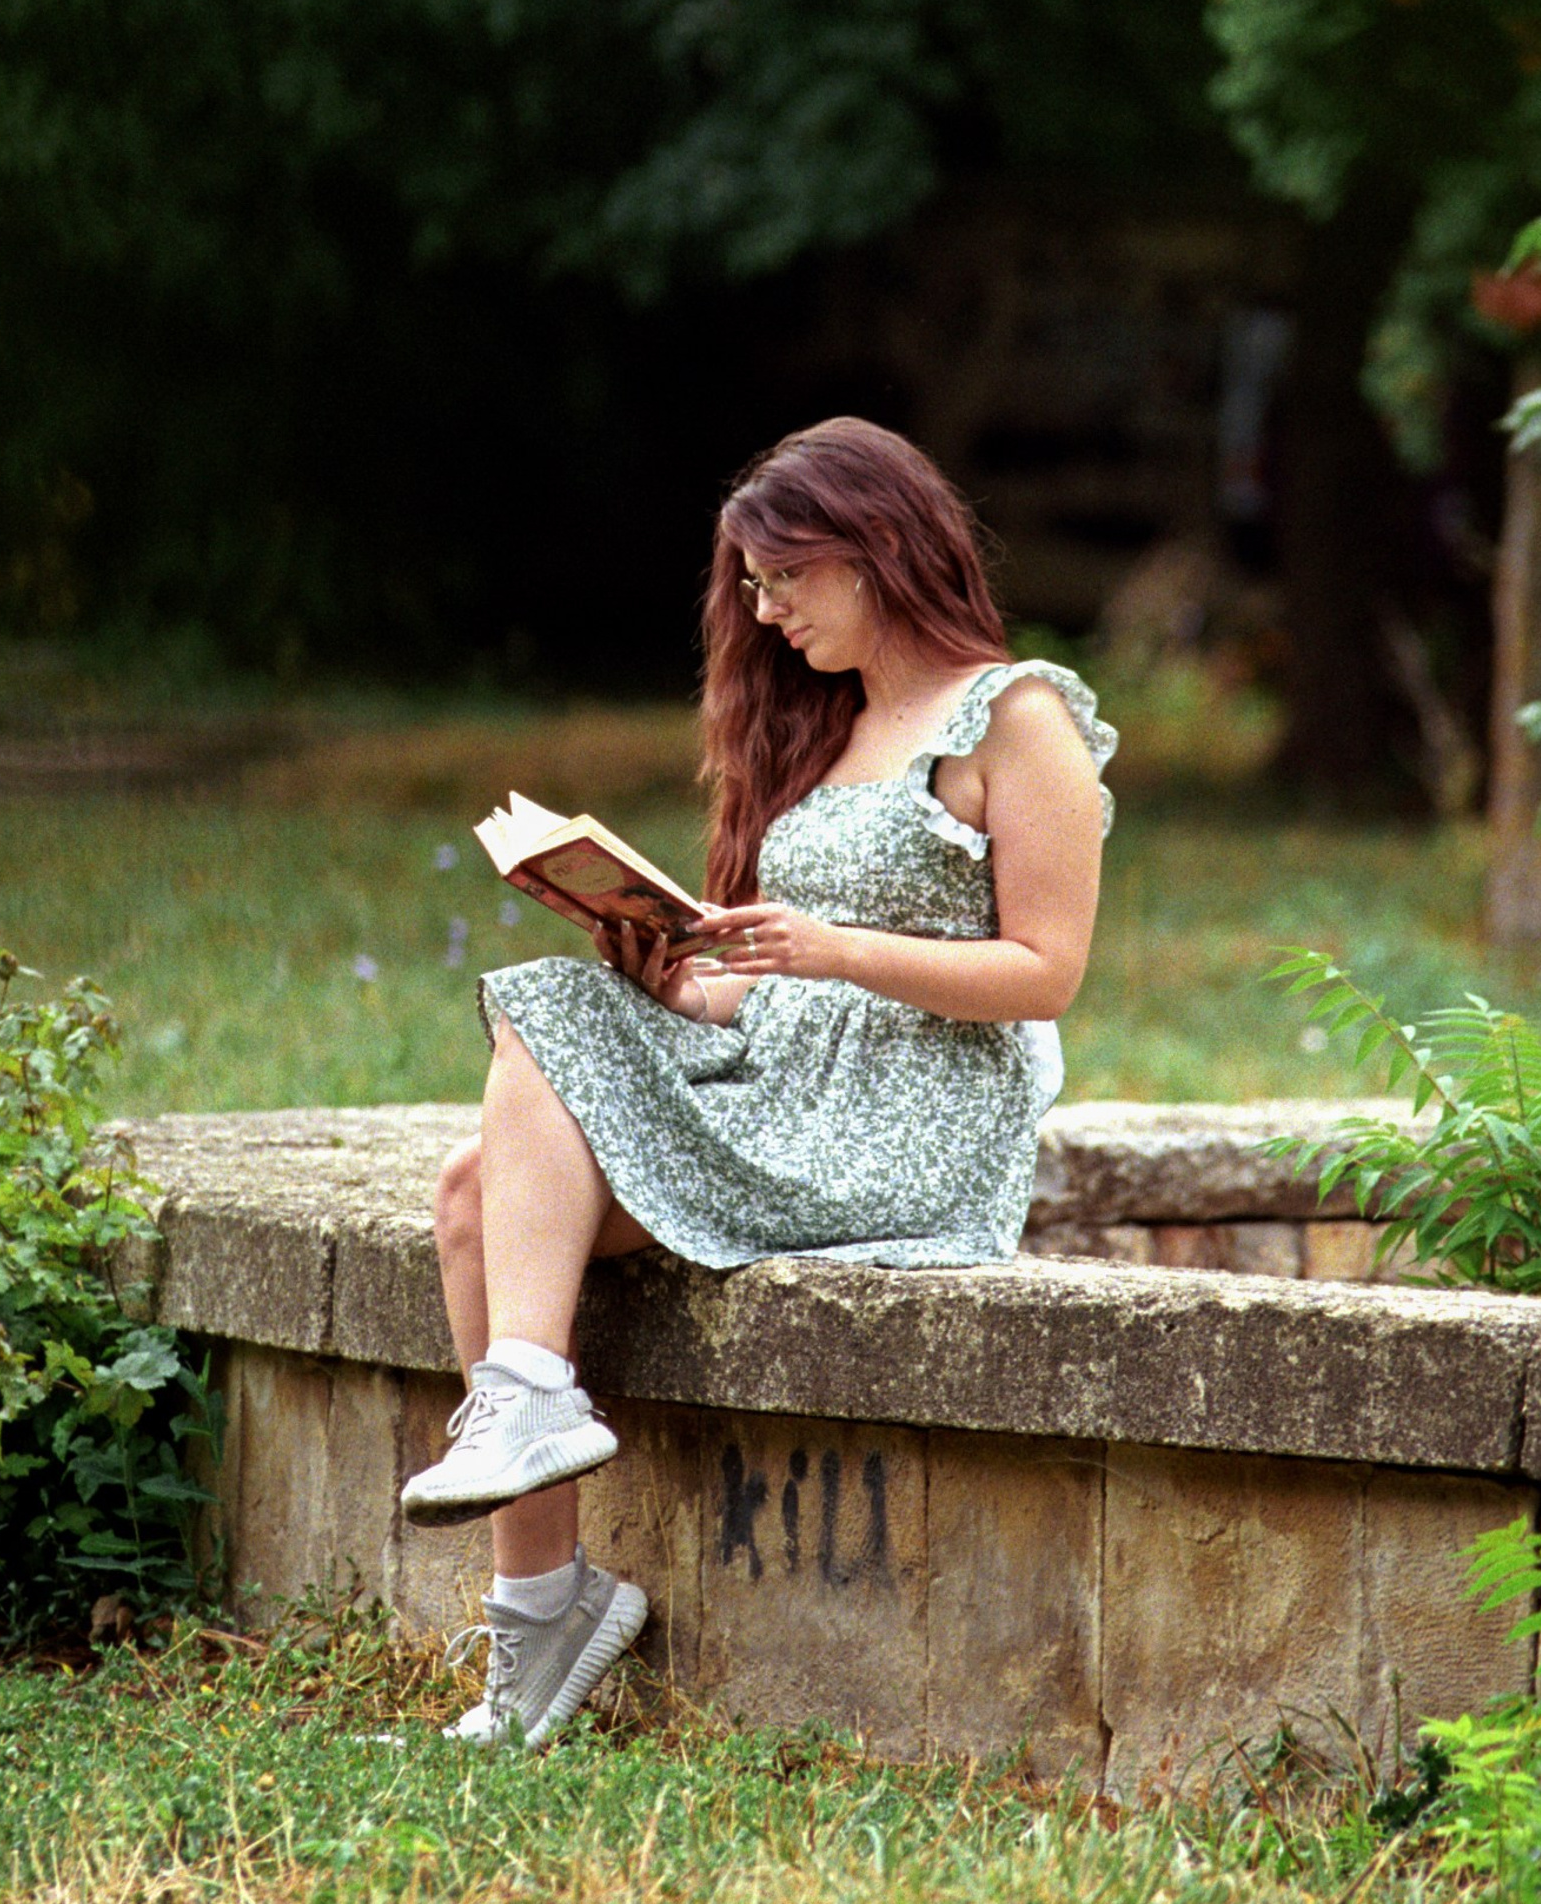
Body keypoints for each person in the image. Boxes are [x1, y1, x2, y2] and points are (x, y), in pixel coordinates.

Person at [410, 416, 1116, 1749]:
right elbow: (766, 979)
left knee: (532, 1036)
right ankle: (540, 1602)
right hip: (780, 1087)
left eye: (786, 577)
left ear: (880, 546)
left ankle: (520, 1403)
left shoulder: (1017, 718)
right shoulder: (828, 724)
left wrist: (835, 947)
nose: (764, 610)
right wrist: (671, 973)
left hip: (914, 1124)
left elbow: (1048, 970)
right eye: (751, 585)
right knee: (471, 1192)